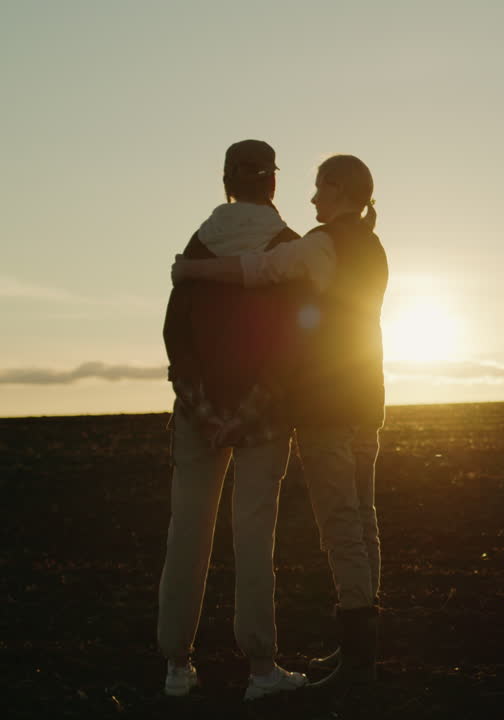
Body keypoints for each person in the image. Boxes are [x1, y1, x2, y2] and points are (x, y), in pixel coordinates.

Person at [172, 154, 387, 692]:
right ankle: (316, 656)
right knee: (349, 523)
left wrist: (191, 270)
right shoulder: (364, 245)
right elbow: (299, 325)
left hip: (301, 410)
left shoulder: (310, 244)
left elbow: (247, 279)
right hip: (346, 406)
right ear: (269, 183)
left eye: (320, 188)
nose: (312, 197)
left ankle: (178, 666)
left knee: (336, 527)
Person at [158, 139, 309, 701]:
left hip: (197, 418)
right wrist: (247, 411)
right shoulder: (289, 248)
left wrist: (204, 409)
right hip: (263, 420)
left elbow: (176, 336)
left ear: (226, 182)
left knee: (186, 533)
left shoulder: (195, 249)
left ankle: (177, 666)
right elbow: (295, 343)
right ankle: (261, 670)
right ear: (272, 182)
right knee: (254, 537)